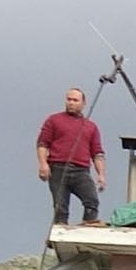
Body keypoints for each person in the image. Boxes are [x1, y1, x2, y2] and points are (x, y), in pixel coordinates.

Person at [36, 89, 106, 225]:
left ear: (83, 103)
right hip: (58, 168)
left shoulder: (90, 127)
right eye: (69, 99)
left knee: (92, 200)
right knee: (60, 207)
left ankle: (89, 224)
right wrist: (43, 164)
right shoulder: (54, 120)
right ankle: (60, 230)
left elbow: (97, 153)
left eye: (75, 100)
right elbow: (42, 143)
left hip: (81, 170)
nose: (71, 103)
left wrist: (101, 174)